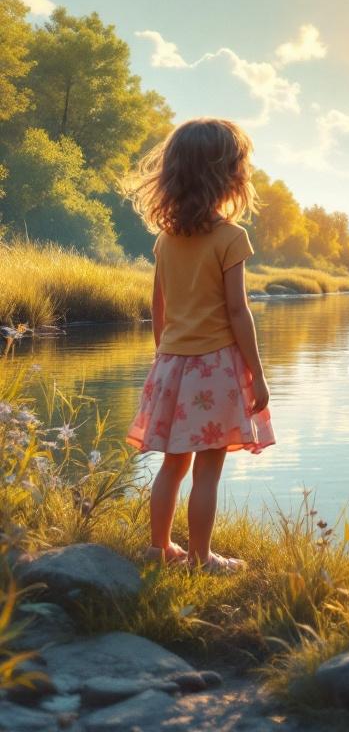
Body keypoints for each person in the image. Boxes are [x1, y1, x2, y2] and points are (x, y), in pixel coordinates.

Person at [122, 118, 275, 573]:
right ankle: (201, 558)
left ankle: (159, 547)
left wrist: (164, 357)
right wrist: (258, 374)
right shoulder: (231, 237)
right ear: (227, 174)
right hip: (215, 368)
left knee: (173, 464)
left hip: (172, 364)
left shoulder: (167, 239)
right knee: (208, 468)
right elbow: (237, 311)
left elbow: (158, 305)